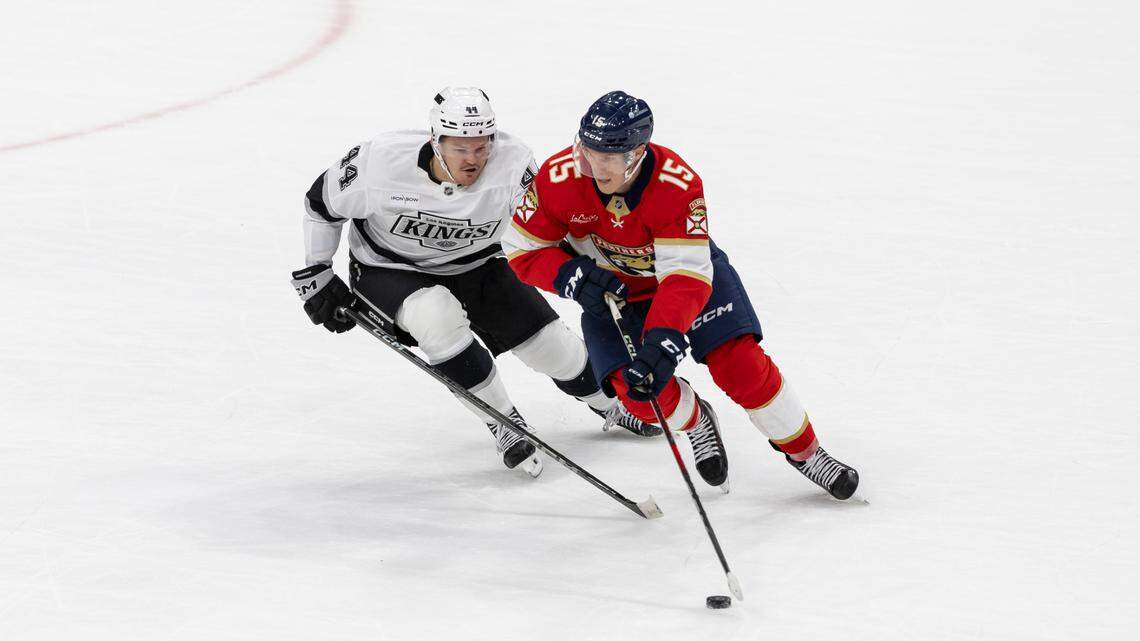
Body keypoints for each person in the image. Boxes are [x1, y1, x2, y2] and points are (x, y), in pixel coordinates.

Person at [502, 90, 860, 499]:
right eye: (587, 151)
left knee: (739, 365)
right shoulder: (559, 178)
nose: (590, 165)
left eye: (606, 159)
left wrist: (663, 337)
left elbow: (684, 275)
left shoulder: (677, 183)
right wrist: (571, 275)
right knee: (640, 397)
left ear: (636, 155)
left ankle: (807, 453)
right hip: (610, 298)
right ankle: (697, 420)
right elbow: (521, 249)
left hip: (688, 286)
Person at [290, 87, 657, 479]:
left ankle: (609, 403)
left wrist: (592, 270)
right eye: (460, 148)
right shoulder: (378, 161)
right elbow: (320, 204)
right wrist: (318, 270)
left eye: (481, 147)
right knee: (437, 316)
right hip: (390, 269)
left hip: (480, 265)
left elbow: (548, 227)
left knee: (554, 349)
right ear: (435, 140)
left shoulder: (514, 164)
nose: (473, 160)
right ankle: (502, 420)